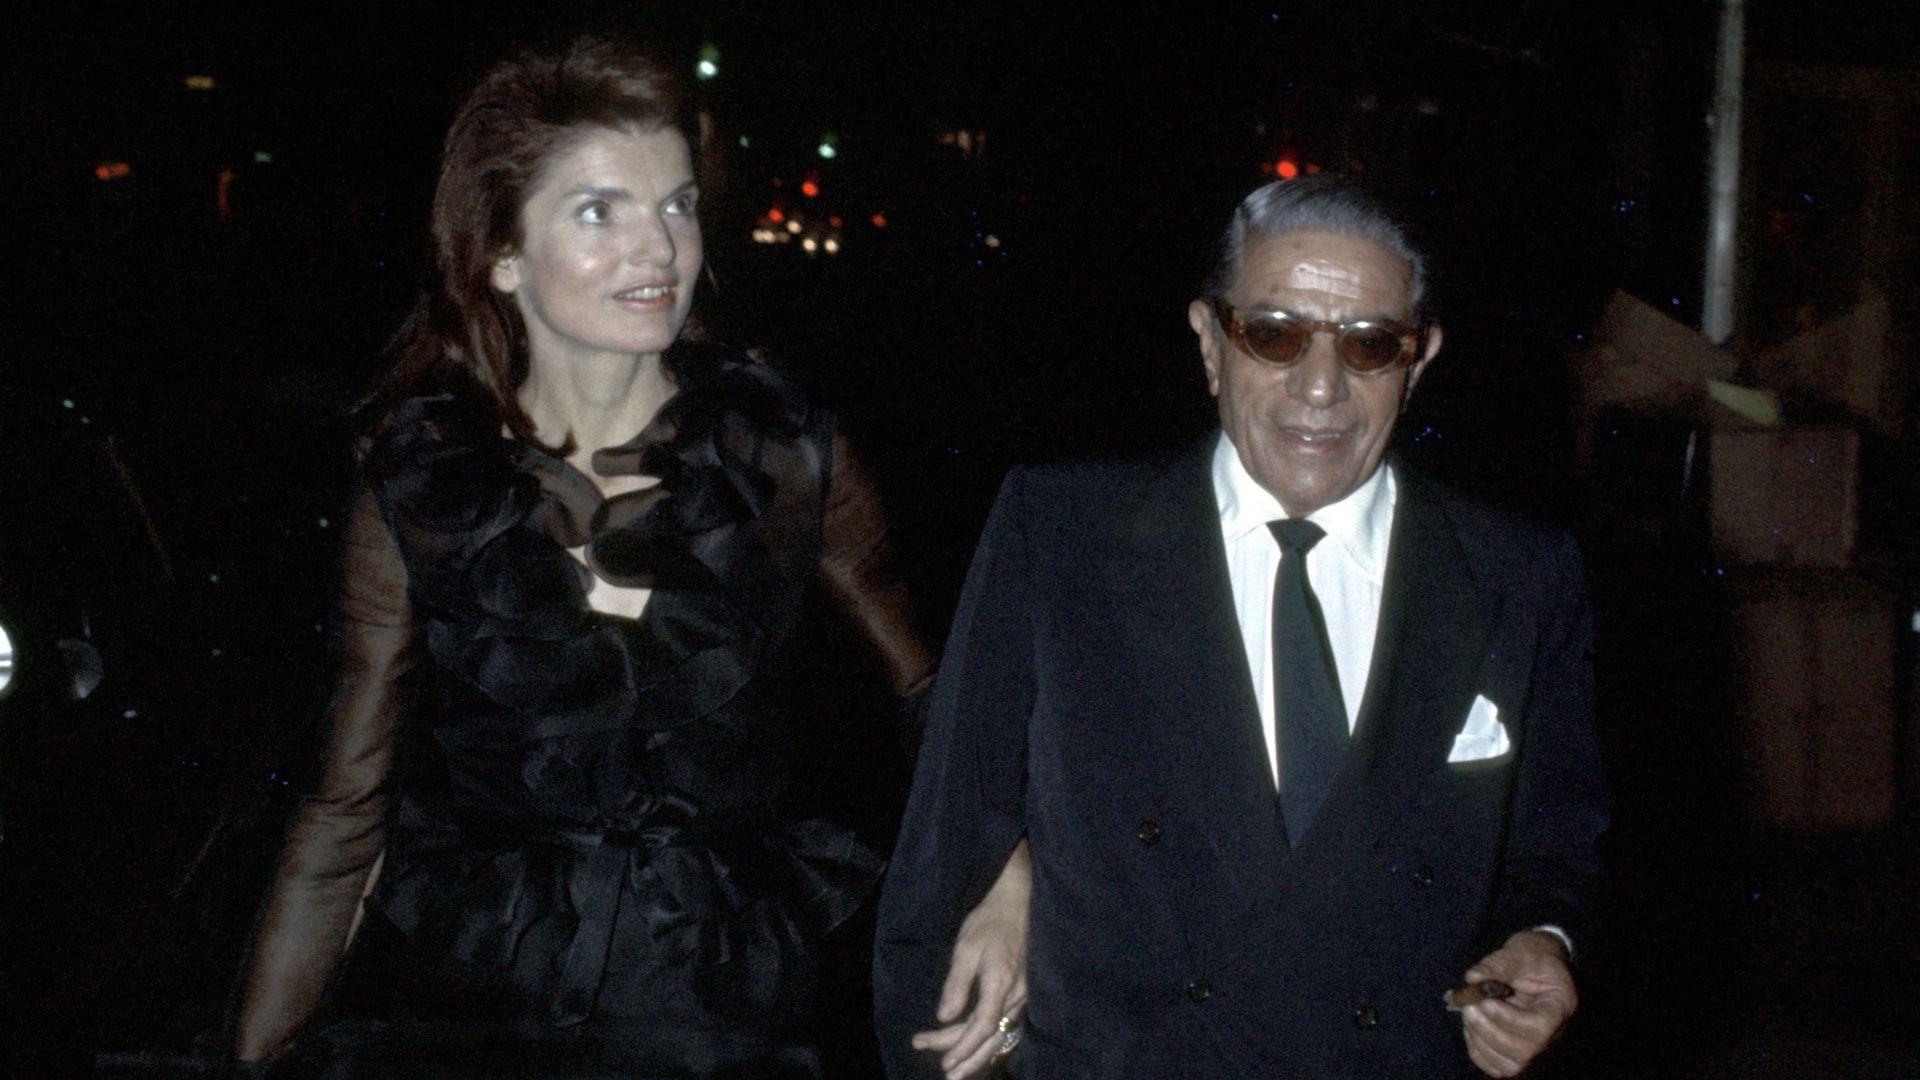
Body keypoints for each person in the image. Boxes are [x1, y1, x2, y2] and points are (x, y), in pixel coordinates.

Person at [232, 35, 1010, 1078]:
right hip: (481, 1017)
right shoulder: (424, 484)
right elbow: (348, 799)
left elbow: (940, 701)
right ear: (501, 252)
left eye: (678, 206)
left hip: (723, 1011)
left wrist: (1016, 889)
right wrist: (256, 1052)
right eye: (601, 211)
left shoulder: (780, 456)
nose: (661, 249)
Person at [874, 175, 1609, 1079]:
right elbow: (949, 838)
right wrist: (1010, 866)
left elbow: (1559, 842)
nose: (1321, 387)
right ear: (1210, 343)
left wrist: (1544, 941)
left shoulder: (1516, 575)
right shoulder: (1062, 535)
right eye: (1275, 335)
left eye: (1371, 346)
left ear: (1420, 362)